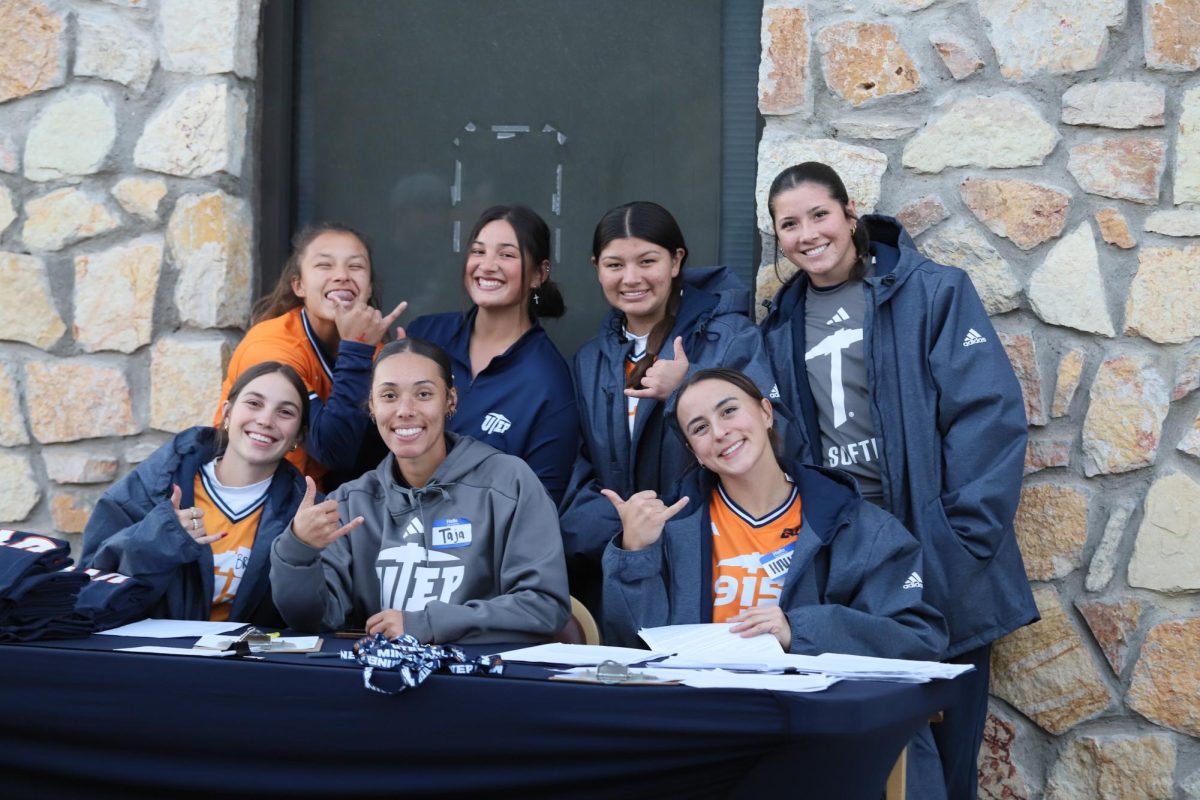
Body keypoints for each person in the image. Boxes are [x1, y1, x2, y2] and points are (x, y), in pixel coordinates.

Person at [759, 162, 1038, 800]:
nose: (808, 233)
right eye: (789, 224)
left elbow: (987, 414)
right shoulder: (780, 325)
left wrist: (961, 537)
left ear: (850, 214)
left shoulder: (933, 291)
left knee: (950, 757)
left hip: (938, 554)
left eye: (819, 214)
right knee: (864, 764)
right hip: (851, 563)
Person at [603, 367, 949, 800]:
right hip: (701, 734)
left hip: (819, 738)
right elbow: (629, 652)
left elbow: (918, 638)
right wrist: (634, 555)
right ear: (693, 449)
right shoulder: (671, 529)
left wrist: (797, 630)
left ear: (766, 412)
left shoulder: (857, 523)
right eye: (700, 428)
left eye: (729, 410)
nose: (721, 432)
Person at [559, 201, 790, 613]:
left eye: (647, 261)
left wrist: (686, 386)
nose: (631, 278)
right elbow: (580, 471)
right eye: (614, 265)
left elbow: (780, 439)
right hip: (626, 560)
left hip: (720, 561)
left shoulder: (731, 337)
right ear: (596, 267)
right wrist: (629, 529)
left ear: (676, 260)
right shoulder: (590, 360)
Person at [269, 338, 570, 644]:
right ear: (372, 406)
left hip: (483, 682)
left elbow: (543, 607)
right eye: (389, 396)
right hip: (381, 684)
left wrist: (427, 624)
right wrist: (298, 549)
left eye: (423, 394)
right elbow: (311, 620)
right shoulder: (350, 502)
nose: (405, 410)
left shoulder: (510, 482)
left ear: (450, 400)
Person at [82, 362, 310, 624]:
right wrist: (158, 538)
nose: (265, 420)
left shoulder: (303, 515)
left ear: (298, 437)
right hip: (149, 659)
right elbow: (90, 588)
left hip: (245, 663)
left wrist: (302, 547)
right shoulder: (151, 486)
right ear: (226, 413)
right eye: (254, 403)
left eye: (285, 412)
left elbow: (311, 619)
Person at [406, 205, 578, 503]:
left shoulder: (549, 382)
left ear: (539, 273)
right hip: (397, 528)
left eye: (507, 254)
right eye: (478, 251)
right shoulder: (424, 337)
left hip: (483, 543)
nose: (487, 265)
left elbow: (539, 504)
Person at [215, 223, 406, 487]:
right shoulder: (272, 345)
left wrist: (404, 375)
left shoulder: (371, 349)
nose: (342, 275)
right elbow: (334, 451)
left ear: (369, 287)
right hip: (256, 491)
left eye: (356, 266)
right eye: (324, 265)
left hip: (319, 493)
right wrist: (356, 351)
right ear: (299, 285)